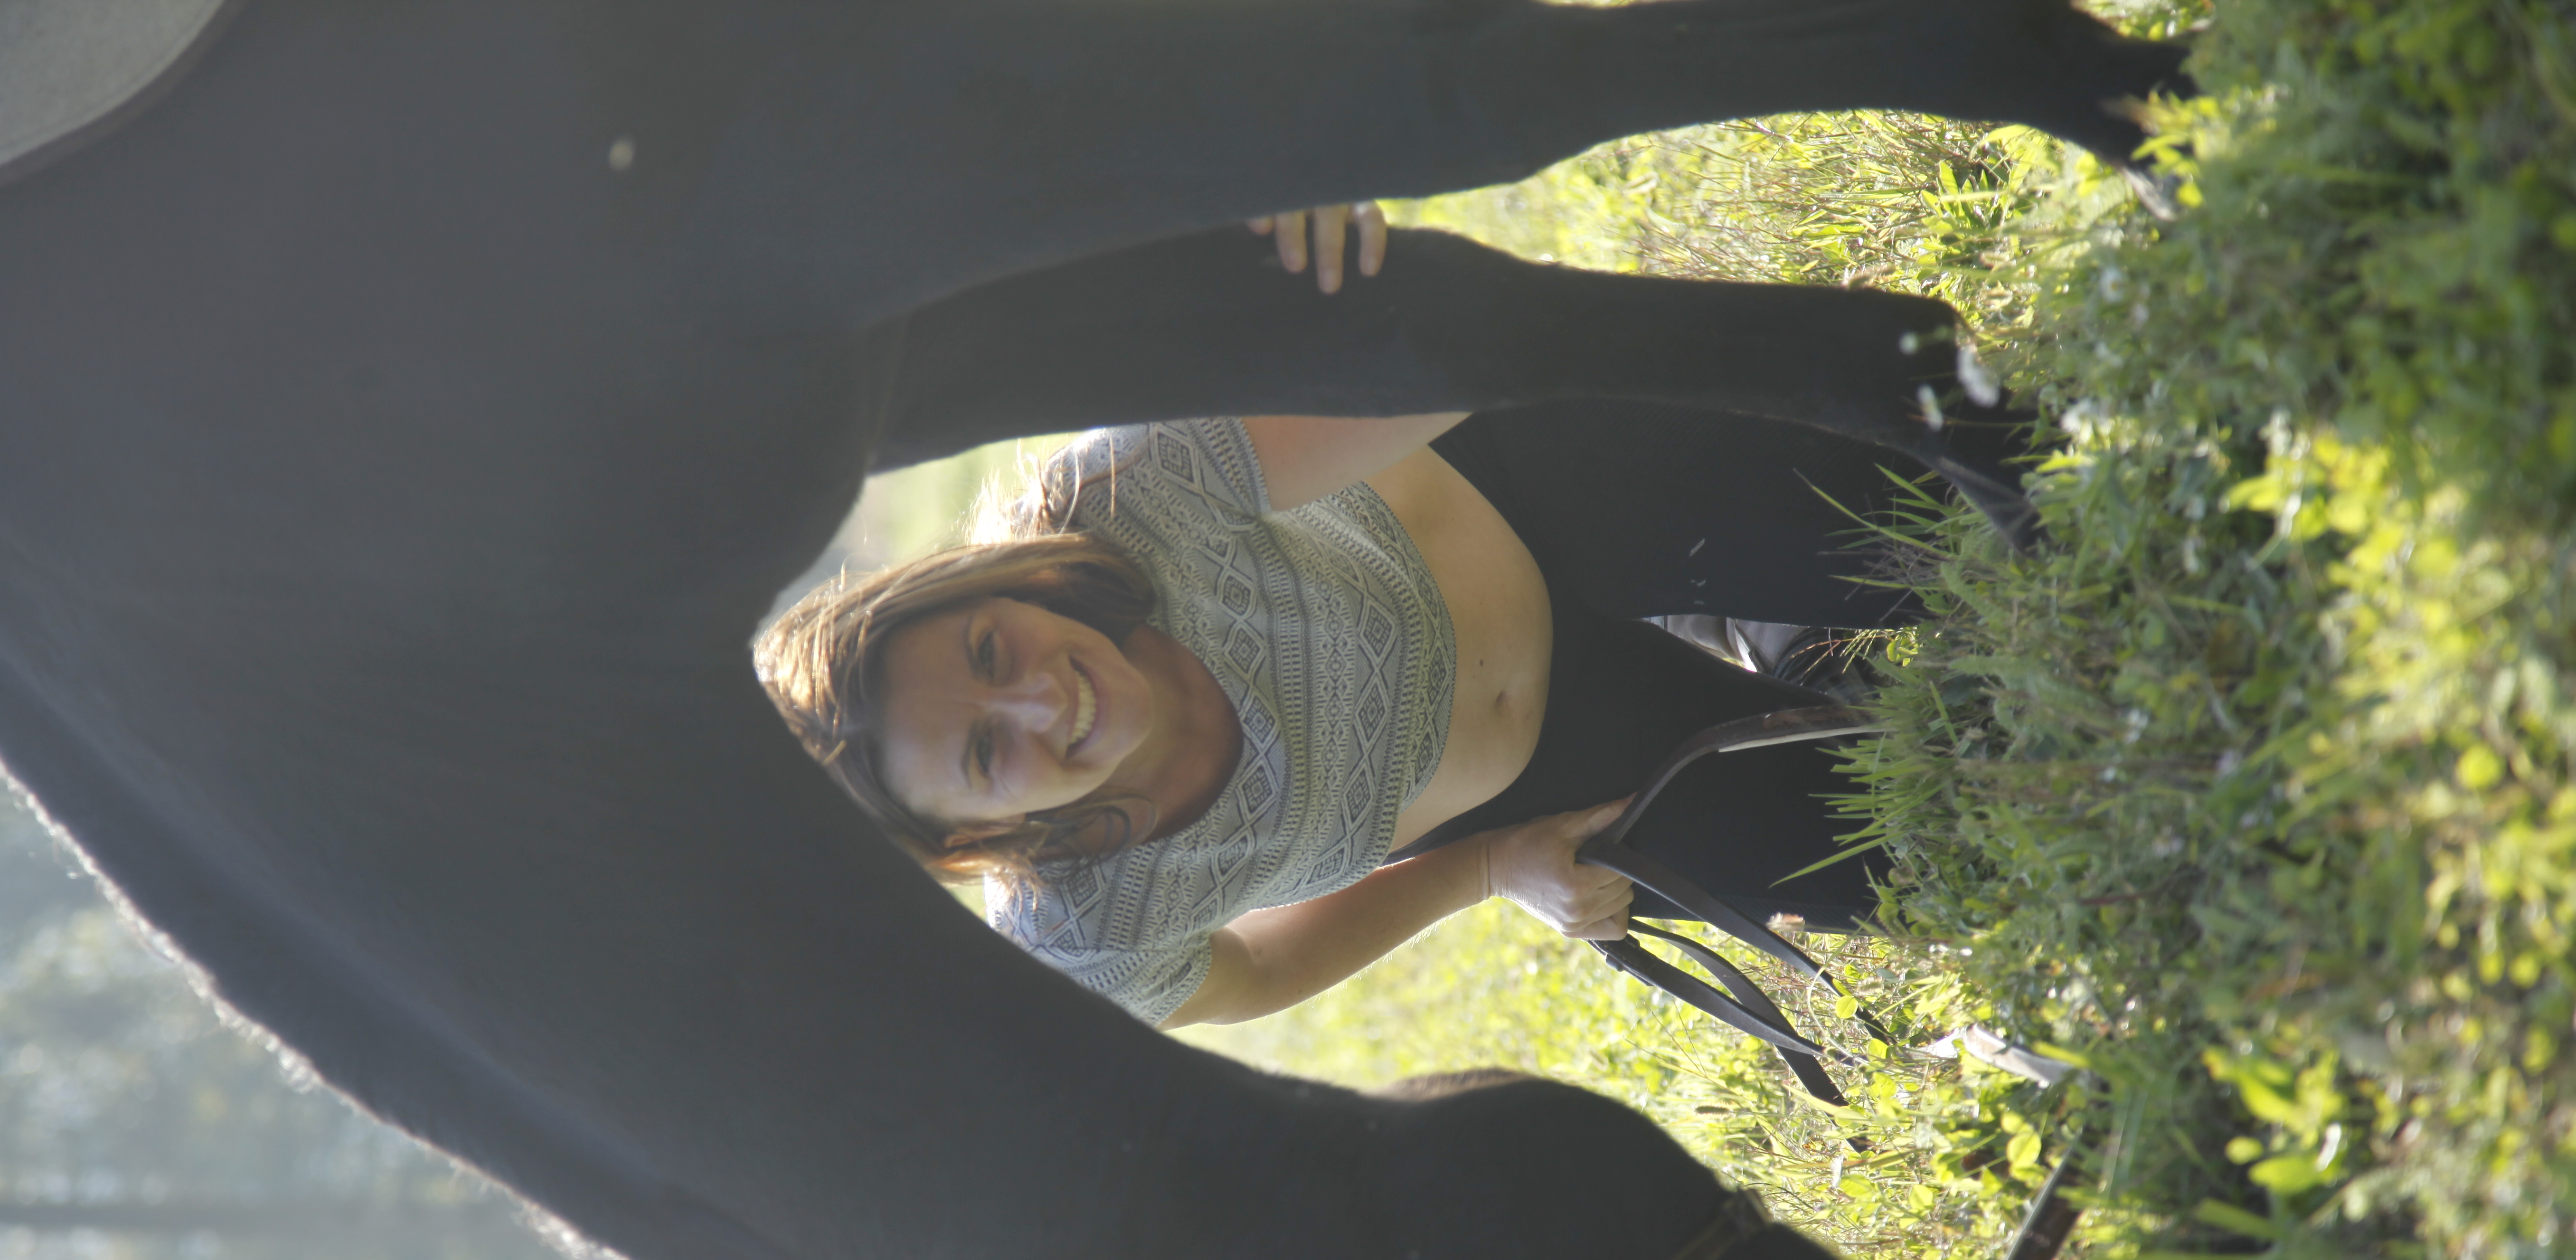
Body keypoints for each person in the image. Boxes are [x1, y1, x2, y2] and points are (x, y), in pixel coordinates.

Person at [758, 208, 1925, 1029]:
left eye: (987, 648)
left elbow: (1455, 365)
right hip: (1560, 776)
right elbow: (1248, 979)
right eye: (983, 752)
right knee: (1932, 855)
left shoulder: (1118, 504)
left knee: (1939, 528)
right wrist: (1490, 869)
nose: (1037, 695)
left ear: (986, 590)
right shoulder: (1088, 930)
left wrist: (1333, 272)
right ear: (971, 842)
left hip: (1537, 497)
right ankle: (1779, 649)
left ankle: (1738, 604)